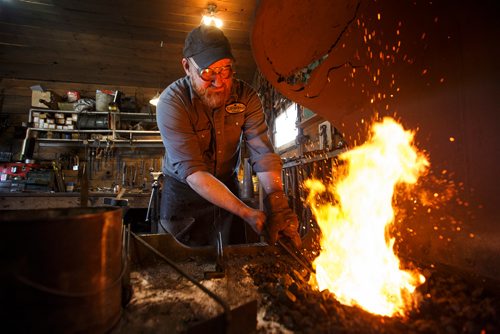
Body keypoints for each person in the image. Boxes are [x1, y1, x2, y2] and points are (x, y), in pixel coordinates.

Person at [156, 25, 301, 248]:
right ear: (187, 66)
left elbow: (262, 154)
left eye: (225, 69)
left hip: (227, 187)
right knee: (182, 267)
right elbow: (194, 173)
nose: (219, 82)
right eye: (208, 72)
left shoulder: (246, 97)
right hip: (184, 196)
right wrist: (246, 212)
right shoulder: (172, 103)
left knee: (233, 264)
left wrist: (278, 203)